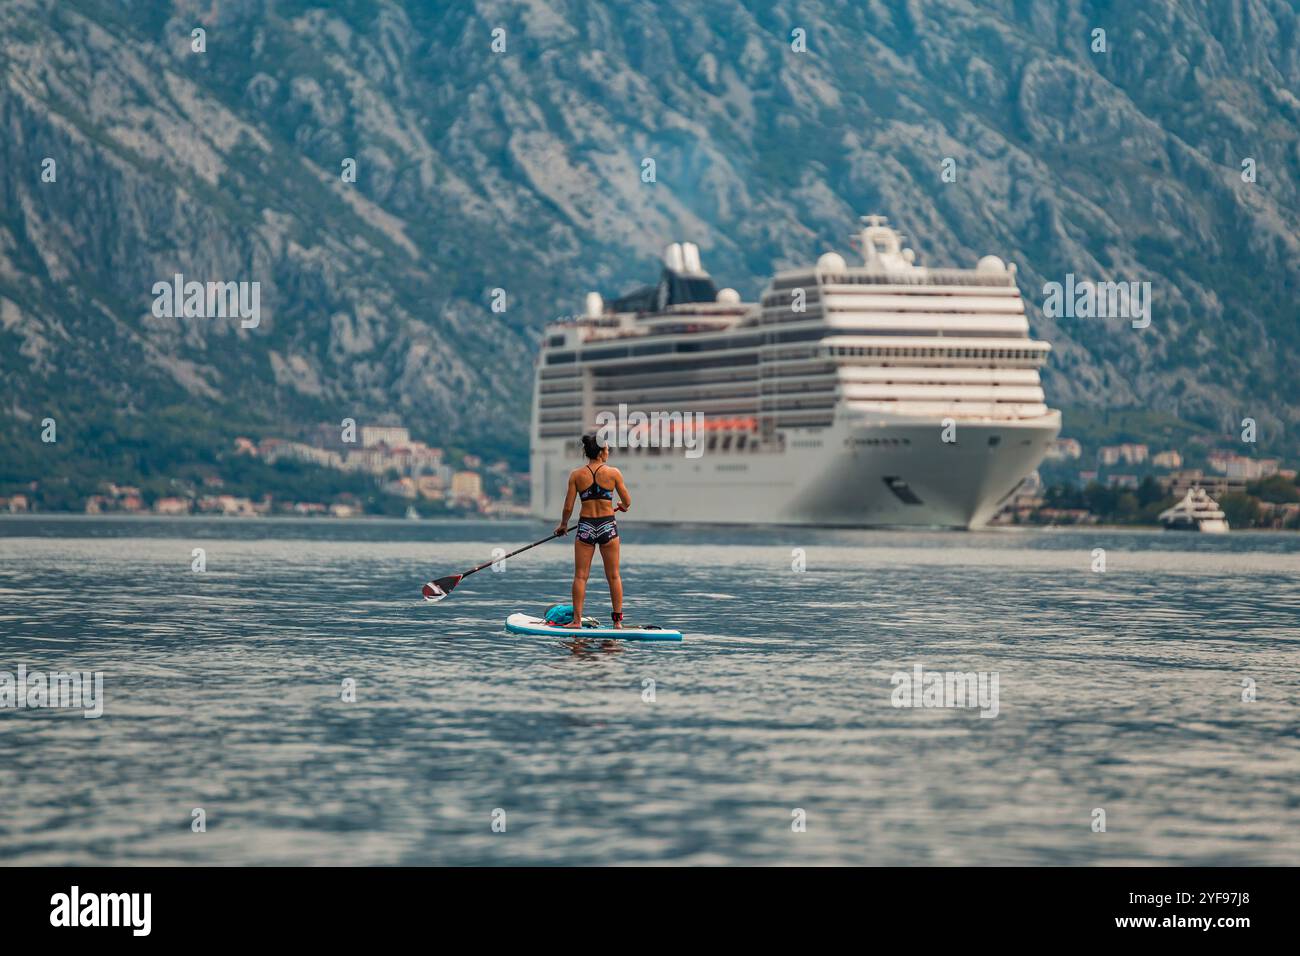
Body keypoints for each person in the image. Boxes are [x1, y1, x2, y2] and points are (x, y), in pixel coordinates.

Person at [554, 433, 630, 628]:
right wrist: (621, 505)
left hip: (586, 527)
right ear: (602, 451)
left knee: (580, 576)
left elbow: (568, 507)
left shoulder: (577, 475)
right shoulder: (614, 473)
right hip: (607, 526)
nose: (608, 452)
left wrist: (563, 525)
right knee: (613, 575)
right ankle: (617, 624)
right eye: (607, 449)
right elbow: (627, 502)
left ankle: (577, 621)